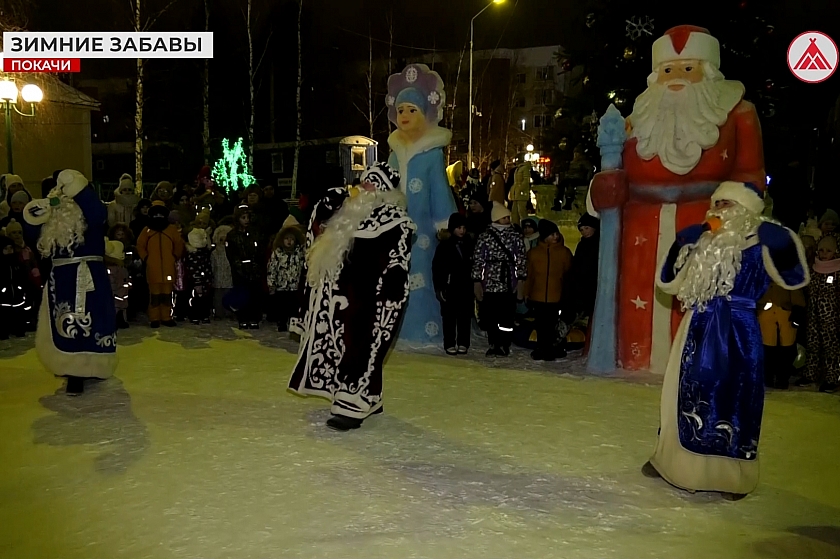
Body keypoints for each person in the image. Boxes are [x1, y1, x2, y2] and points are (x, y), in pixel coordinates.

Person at [587, 25, 765, 374]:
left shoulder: (738, 114)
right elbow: (612, 174)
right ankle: (633, 359)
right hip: (640, 230)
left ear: (708, 70)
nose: (677, 78)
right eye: (668, 70)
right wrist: (604, 189)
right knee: (636, 307)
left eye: (688, 68)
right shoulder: (636, 121)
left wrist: (731, 219)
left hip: (704, 226)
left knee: (695, 306)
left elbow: (750, 176)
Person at [643, 181, 808, 500]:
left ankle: (733, 477)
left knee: (735, 401)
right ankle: (674, 464)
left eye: (728, 204)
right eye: (717, 202)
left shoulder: (762, 240)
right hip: (698, 324)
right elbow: (668, 285)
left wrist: (784, 246)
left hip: (739, 330)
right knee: (684, 396)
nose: (719, 209)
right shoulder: (705, 241)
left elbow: (795, 278)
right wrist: (679, 246)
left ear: (747, 211)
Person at [289, 162, 415, 431]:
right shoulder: (348, 213)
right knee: (341, 346)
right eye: (363, 181)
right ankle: (371, 397)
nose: (362, 187)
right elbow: (316, 231)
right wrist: (326, 203)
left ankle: (352, 402)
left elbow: (399, 255)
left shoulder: (395, 219)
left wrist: (395, 277)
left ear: (382, 190)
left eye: (370, 183)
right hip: (336, 296)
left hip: (369, 297)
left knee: (363, 347)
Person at [22, 170, 118, 395]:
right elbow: (32, 234)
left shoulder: (92, 220)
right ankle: (73, 370)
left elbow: (96, 212)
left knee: (97, 321)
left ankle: (93, 366)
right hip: (63, 278)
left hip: (91, 276)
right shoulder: (53, 225)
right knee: (66, 322)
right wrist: (34, 215)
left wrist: (76, 187)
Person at [386, 64, 458, 347]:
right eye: (401, 110)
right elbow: (387, 185)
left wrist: (445, 222)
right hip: (396, 228)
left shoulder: (431, 154)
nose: (404, 116)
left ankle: (425, 327)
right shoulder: (395, 152)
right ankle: (398, 327)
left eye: (411, 110)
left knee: (422, 274)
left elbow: (440, 188)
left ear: (424, 113)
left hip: (423, 229)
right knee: (397, 274)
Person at [472, 202, 527, 357]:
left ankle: (504, 343)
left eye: (508, 217)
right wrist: (477, 280)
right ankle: (493, 343)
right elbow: (478, 259)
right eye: (504, 217)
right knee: (490, 315)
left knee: (507, 316)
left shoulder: (515, 236)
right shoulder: (485, 236)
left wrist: (521, 279)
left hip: (508, 282)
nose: (508, 220)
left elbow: (521, 258)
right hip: (489, 282)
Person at [796, 235, 840, 392]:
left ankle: (832, 378)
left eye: (828, 251)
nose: (824, 254)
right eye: (821, 250)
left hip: (832, 317)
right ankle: (810, 374)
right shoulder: (814, 269)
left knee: (831, 347)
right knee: (813, 344)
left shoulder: (837, 271)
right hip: (813, 314)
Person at [525, 220, 573, 361]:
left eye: (556, 234)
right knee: (540, 324)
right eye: (552, 234)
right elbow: (530, 275)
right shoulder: (534, 254)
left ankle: (551, 348)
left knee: (552, 325)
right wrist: (526, 293)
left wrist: (567, 295)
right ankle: (541, 348)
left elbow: (568, 275)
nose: (555, 237)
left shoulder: (564, 253)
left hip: (556, 296)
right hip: (538, 296)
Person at [136, 201, 185, 328]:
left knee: (167, 295)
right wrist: (146, 258)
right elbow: (140, 245)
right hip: (153, 269)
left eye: (161, 213)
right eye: (156, 214)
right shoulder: (147, 230)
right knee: (155, 296)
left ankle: (166, 317)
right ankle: (154, 318)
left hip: (168, 268)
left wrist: (174, 256)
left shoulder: (171, 230)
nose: (158, 216)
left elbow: (179, 244)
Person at [432, 213, 475, 355]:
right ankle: (449, 342)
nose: (461, 231)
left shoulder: (469, 244)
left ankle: (463, 342)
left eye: (463, 227)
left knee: (465, 316)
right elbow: (437, 268)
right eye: (458, 228)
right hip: (449, 287)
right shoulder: (444, 246)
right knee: (449, 317)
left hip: (466, 286)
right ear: (452, 228)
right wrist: (440, 287)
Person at [757, 283, 804, 389]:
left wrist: (797, 310)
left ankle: (782, 379)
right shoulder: (761, 271)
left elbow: (795, 287)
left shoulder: (788, 271)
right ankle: (767, 378)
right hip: (765, 312)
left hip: (786, 312)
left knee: (787, 347)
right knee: (766, 347)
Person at [225, 205, 264, 329]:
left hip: (255, 270)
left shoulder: (255, 233)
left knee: (255, 295)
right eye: (243, 217)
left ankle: (254, 318)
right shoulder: (232, 235)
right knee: (242, 295)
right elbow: (231, 254)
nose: (246, 220)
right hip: (239, 271)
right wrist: (239, 266)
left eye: (248, 217)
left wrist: (256, 265)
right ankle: (242, 318)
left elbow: (260, 251)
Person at [267, 216, 305, 332]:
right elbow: (271, 269)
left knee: (294, 307)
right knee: (281, 307)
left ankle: (293, 324)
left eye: (291, 239)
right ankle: (281, 323)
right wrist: (271, 283)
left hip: (294, 286)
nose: (289, 241)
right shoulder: (277, 253)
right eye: (286, 239)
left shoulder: (299, 253)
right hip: (281, 286)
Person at [568, 213, 600, 319]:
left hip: (595, 283)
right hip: (582, 285)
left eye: (587, 228)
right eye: (581, 229)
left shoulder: (600, 243)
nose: (584, 232)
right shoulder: (582, 245)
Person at [0, 235, 29, 339]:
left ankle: (19, 331)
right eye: (6, 249)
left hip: (17, 296)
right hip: (3, 299)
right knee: (4, 317)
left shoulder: (16, 262)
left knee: (18, 315)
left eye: (10, 248)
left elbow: (23, 277)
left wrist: (22, 289)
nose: (9, 251)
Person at [185, 228, 213, 325]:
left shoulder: (205, 252)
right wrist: (196, 280)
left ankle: (204, 315)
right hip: (196, 280)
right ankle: (195, 315)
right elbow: (192, 269)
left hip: (206, 279)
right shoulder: (192, 254)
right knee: (196, 298)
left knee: (205, 298)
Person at [105, 239, 131, 329]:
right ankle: (114, 321)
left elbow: (125, 278)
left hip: (122, 293)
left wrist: (128, 285)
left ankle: (122, 320)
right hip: (116, 294)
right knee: (115, 307)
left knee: (122, 307)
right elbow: (112, 281)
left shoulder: (121, 267)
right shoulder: (111, 269)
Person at [211, 225, 234, 320]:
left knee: (228, 296)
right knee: (218, 298)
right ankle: (218, 313)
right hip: (217, 278)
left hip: (229, 278)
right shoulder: (214, 253)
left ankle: (229, 312)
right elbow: (212, 266)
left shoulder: (231, 252)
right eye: (221, 240)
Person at [508, 154, 532, 226]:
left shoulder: (524, 168)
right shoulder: (518, 168)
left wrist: (519, 188)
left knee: (522, 211)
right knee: (514, 212)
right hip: (516, 193)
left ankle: (526, 226)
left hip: (521, 194)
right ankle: (516, 226)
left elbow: (526, 180)